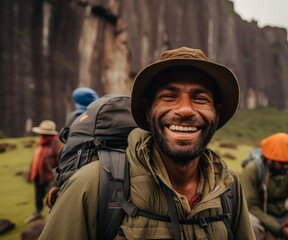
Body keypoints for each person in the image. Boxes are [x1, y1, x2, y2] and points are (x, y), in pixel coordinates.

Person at [39, 47, 255, 239]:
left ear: (216, 113)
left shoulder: (227, 187)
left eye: (200, 98)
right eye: (169, 96)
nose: (185, 110)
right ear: (147, 109)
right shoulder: (94, 184)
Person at [24, 120, 63, 223]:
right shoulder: (40, 142)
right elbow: (35, 159)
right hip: (38, 176)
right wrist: (31, 172)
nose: (42, 134)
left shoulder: (57, 145)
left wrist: (56, 178)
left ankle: (53, 218)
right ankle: (37, 213)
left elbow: (61, 163)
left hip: (50, 178)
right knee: (38, 197)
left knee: (52, 199)